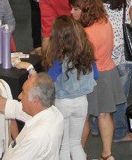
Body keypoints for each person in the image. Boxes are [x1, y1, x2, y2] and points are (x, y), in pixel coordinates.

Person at [67, 0, 122, 155]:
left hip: (90, 77)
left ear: (85, 10)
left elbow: (78, 61)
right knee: (104, 115)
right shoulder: (105, 22)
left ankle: (76, 155)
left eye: (75, 9)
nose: (71, 12)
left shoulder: (85, 34)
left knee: (82, 118)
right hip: (108, 71)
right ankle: (107, 154)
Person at [44, 14, 98, 160]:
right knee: (76, 143)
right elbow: (95, 75)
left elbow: (49, 81)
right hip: (82, 103)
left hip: (62, 103)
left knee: (64, 145)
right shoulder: (86, 54)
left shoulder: (59, 59)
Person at [100, 0, 132, 143]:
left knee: (103, 92)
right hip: (124, 54)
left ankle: (96, 126)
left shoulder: (101, 0)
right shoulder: (131, 0)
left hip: (106, 52)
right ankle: (119, 132)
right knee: (121, 96)